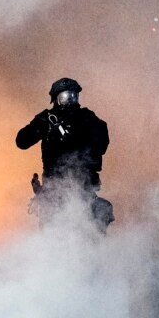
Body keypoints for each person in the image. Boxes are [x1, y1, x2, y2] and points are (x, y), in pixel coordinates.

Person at [16, 78, 113, 231]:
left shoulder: (87, 118)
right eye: (66, 96)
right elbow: (21, 142)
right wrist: (42, 129)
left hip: (84, 188)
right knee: (52, 233)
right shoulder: (46, 119)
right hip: (54, 189)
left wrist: (77, 139)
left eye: (74, 96)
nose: (71, 100)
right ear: (56, 99)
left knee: (91, 230)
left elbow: (102, 143)